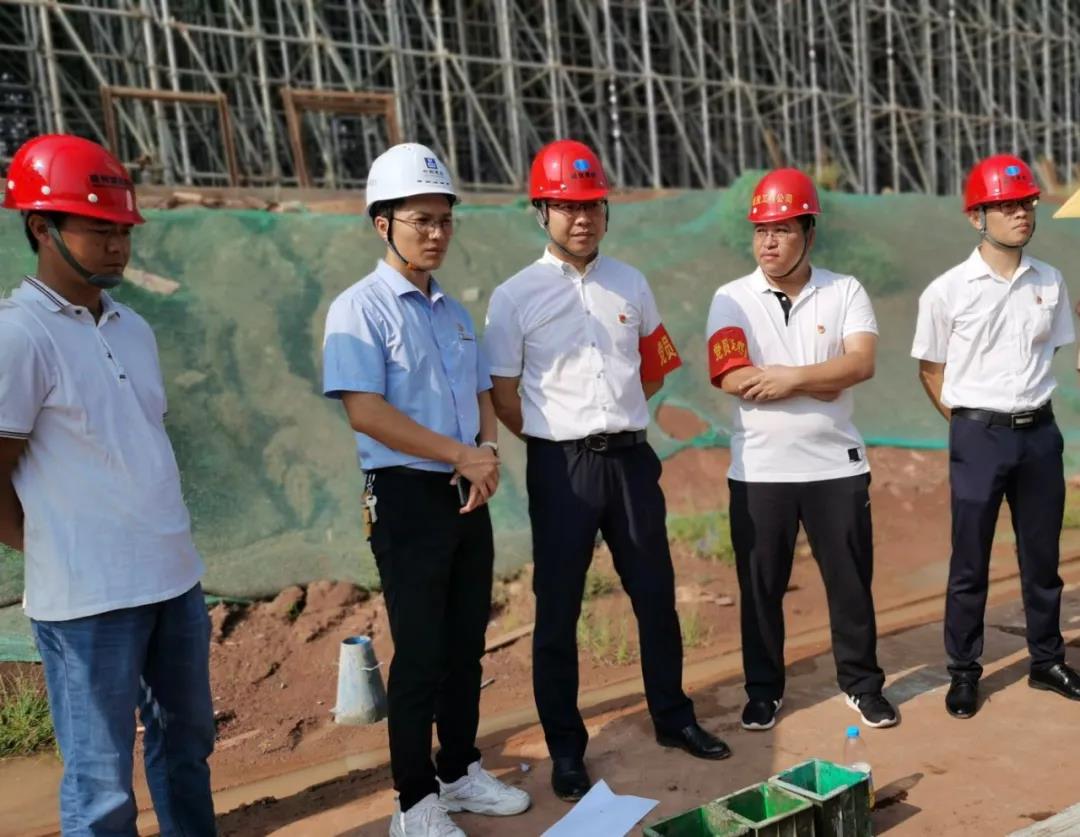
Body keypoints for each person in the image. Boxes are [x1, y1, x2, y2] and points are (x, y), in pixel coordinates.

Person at [484, 139, 730, 804]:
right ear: (542, 211)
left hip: (630, 461)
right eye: (567, 207)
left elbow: (655, 365)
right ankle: (567, 751)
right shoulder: (514, 296)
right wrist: (553, 437)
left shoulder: (632, 283)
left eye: (592, 206)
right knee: (559, 610)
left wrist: (617, 415)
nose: (582, 218)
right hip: (561, 467)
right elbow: (502, 394)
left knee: (655, 594)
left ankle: (674, 717)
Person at [0, 134, 216, 834]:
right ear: (41, 227)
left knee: (187, 747)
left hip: (172, 580)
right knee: (100, 784)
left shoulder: (132, 327)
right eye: (99, 229)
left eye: (124, 231)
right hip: (88, 601)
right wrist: (52, 546)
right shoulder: (18, 336)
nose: (119, 246)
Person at [322, 143, 530, 837]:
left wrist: (487, 453)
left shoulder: (452, 312)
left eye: (444, 219)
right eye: (421, 220)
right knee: (419, 652)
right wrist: (460, 454)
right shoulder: (360, 309)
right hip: (406, 494)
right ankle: (413, 802)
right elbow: (365, 411)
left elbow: (480, 391)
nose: (436, 233)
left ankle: (459, 769)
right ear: (382, 223)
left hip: (464, 489)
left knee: (466, 642)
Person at [706, 168, 898, 733]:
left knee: (850, 584)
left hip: (835, 466)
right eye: (761, 230)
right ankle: (763, 692)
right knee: (760, 588)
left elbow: (860, 363)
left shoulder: (845, 291)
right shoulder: (731, 298)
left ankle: (862, 685)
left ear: (809, 232)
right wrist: (821, 378)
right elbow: (731, 375)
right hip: (760, 470)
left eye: (783, 229)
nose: (768, 242)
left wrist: (788, 377)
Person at [912, 154, 1080, 718]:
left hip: (1040, 435)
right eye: (1005, 206)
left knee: (1042, 559)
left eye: (1026, 203)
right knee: (970, 563)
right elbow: (931, 370)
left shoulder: (1050, 281)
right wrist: (969, 426)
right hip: (978, 436)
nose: (1021, 213)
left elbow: (1050, 351)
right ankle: (964, 672)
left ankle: (1047, 661)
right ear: (976, 217)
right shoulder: (947, 291)